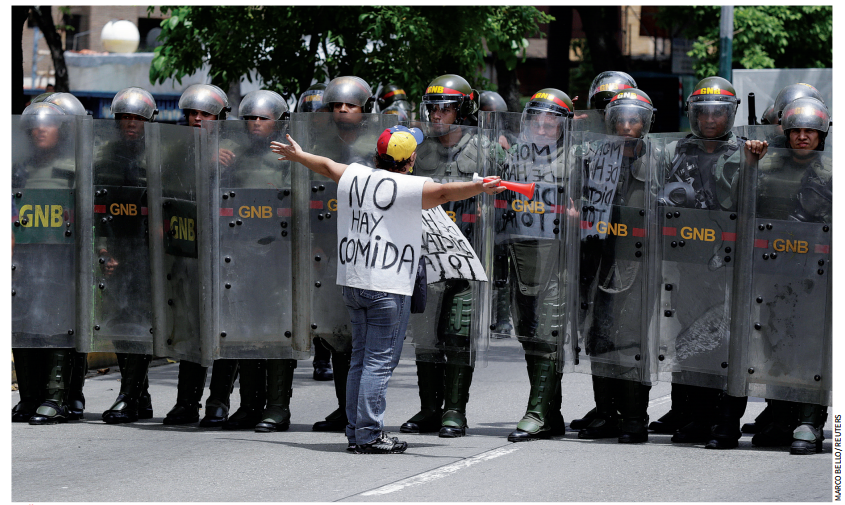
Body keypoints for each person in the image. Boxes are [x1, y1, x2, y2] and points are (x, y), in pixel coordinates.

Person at [270, 125, 505, 453]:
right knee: (378, 363)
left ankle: (356, 432)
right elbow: (446, 193)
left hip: (354, 283)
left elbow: (324, 165)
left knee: (360, 360)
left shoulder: (356, 175)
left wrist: (297, 155)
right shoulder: (410, 186)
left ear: (378, 156)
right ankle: (368, 434)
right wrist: (480, 185)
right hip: (388, 287)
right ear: (410, 160)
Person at [650, 76, 767, 448]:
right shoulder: (675, 152)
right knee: (691, 339)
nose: (711, 119)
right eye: (703, 112)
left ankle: (726, 423)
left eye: (718, 112)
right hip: (688, 264)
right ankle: (696, 418)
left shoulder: (749, 151)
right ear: (693, 115)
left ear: (731, 114)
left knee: (732, 344)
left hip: (734, 266)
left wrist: (755, 161)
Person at [714, 96, 830, 454]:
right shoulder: (767, 164)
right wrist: (749, 163)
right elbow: (738, 204)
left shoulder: (832, 170)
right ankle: (780, 418)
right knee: (774, 341)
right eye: (797, 130)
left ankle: (810, 421)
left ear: (821, 133)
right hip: (771, 268)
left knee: (811, 345)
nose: (803, 137)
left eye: (810, 131)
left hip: (817, 273)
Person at [401, 73, 489, 438]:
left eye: (446, 109)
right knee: (425, 337)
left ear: (464, 109)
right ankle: (428, 409)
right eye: (432, 108)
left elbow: (510, 192)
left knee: (458, 335)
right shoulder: (415, 148)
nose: (436, 115)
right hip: (425, 257)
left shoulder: (487, 148)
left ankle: (455, 411)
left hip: (467, 257)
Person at [574, 89, 656, 443]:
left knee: (632, 338)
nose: (625, 126)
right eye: (619, 119)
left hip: (640, 261)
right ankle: (606, 413)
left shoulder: (660, 159)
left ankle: (635, 417)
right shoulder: (593, 158)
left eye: (633, 119)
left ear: (645, 123)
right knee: (598, 334)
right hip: (598, 256)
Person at [495, 88, 571, 442]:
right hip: (520, 253)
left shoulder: (577, 158)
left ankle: (537, 413)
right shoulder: (517, 158)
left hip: (559, 258)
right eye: (536, 122)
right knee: (527, 331)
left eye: (550, 122)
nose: (542, 128)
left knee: (547, 333)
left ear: (564, 126)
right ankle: (551, 414)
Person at [162, 83, 240, 427]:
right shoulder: (176, 150)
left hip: (229, 252)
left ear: (220, 116)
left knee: (225, 328)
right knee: (191, 326)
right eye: (191, 113)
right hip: (189, 250)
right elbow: (168, 190)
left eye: (204, 114)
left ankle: (219, 401)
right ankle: (185, 402)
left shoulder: (234, 148)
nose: (196, 119)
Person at [307, 75, 380, 434]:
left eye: (349, 105)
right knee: (338, 335)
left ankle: (363, 412)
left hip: (370, 249)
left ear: (365, 109)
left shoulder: (378, 144)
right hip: (331, 248)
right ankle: (344, 407)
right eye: (336, 105)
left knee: (366, 336)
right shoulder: (322, 143)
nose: (342, 111)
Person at [12, 101, 81, 424]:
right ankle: (28, 397)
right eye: (35, 125)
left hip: (61, 260)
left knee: (57, 325)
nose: (41, 129)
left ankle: (56, 398)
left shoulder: (73, 168)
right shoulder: (19, 169)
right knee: (23, 325)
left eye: (49, 124)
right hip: (24, 261)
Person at [95, 87, 159, 423]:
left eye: (137, 118)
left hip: (152, 252)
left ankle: (130, 394)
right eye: (124, 118)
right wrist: (105, 248)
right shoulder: (106, 155)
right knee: (120, 321)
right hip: (118, 250)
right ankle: (137, 394)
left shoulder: (161, 154)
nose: (130, 124)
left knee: (140, 321)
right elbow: (99, 204)